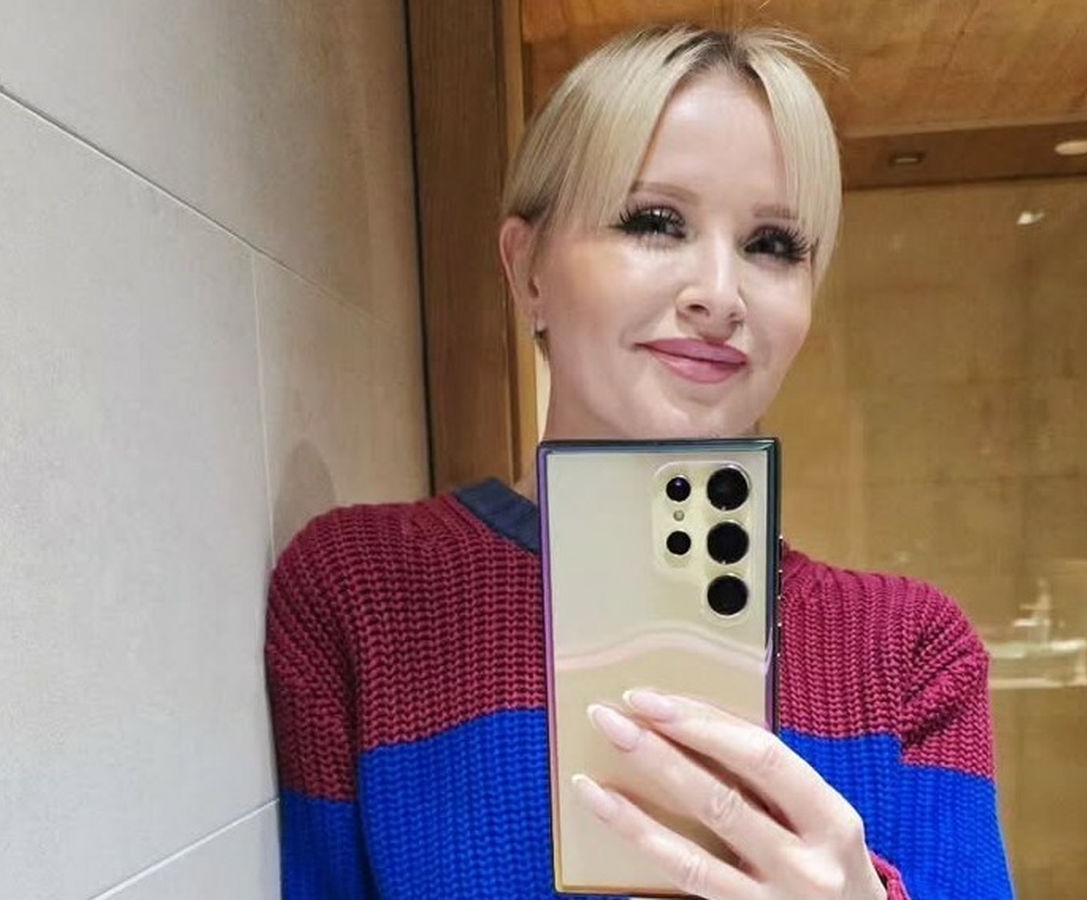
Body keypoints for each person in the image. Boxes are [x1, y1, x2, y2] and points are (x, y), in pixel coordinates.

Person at [266, 25, 1013, 900]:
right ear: (528, 269)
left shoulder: (911, 652)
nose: (720, 296)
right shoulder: (364, 593)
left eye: (774, 243)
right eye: (656, 222)